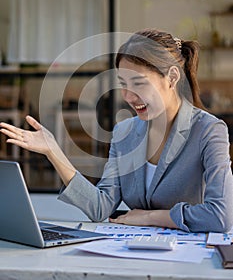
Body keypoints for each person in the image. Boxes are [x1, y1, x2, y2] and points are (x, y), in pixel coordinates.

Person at [1, 28, 233, 233]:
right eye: (123, 84)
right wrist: (54, 151)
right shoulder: (124, 133)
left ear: (172, 77)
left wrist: (150, 217)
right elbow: (100, 207)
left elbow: (220, 216)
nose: (129, 97)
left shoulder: (209, 131)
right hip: (133, 253)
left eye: (139, 84)